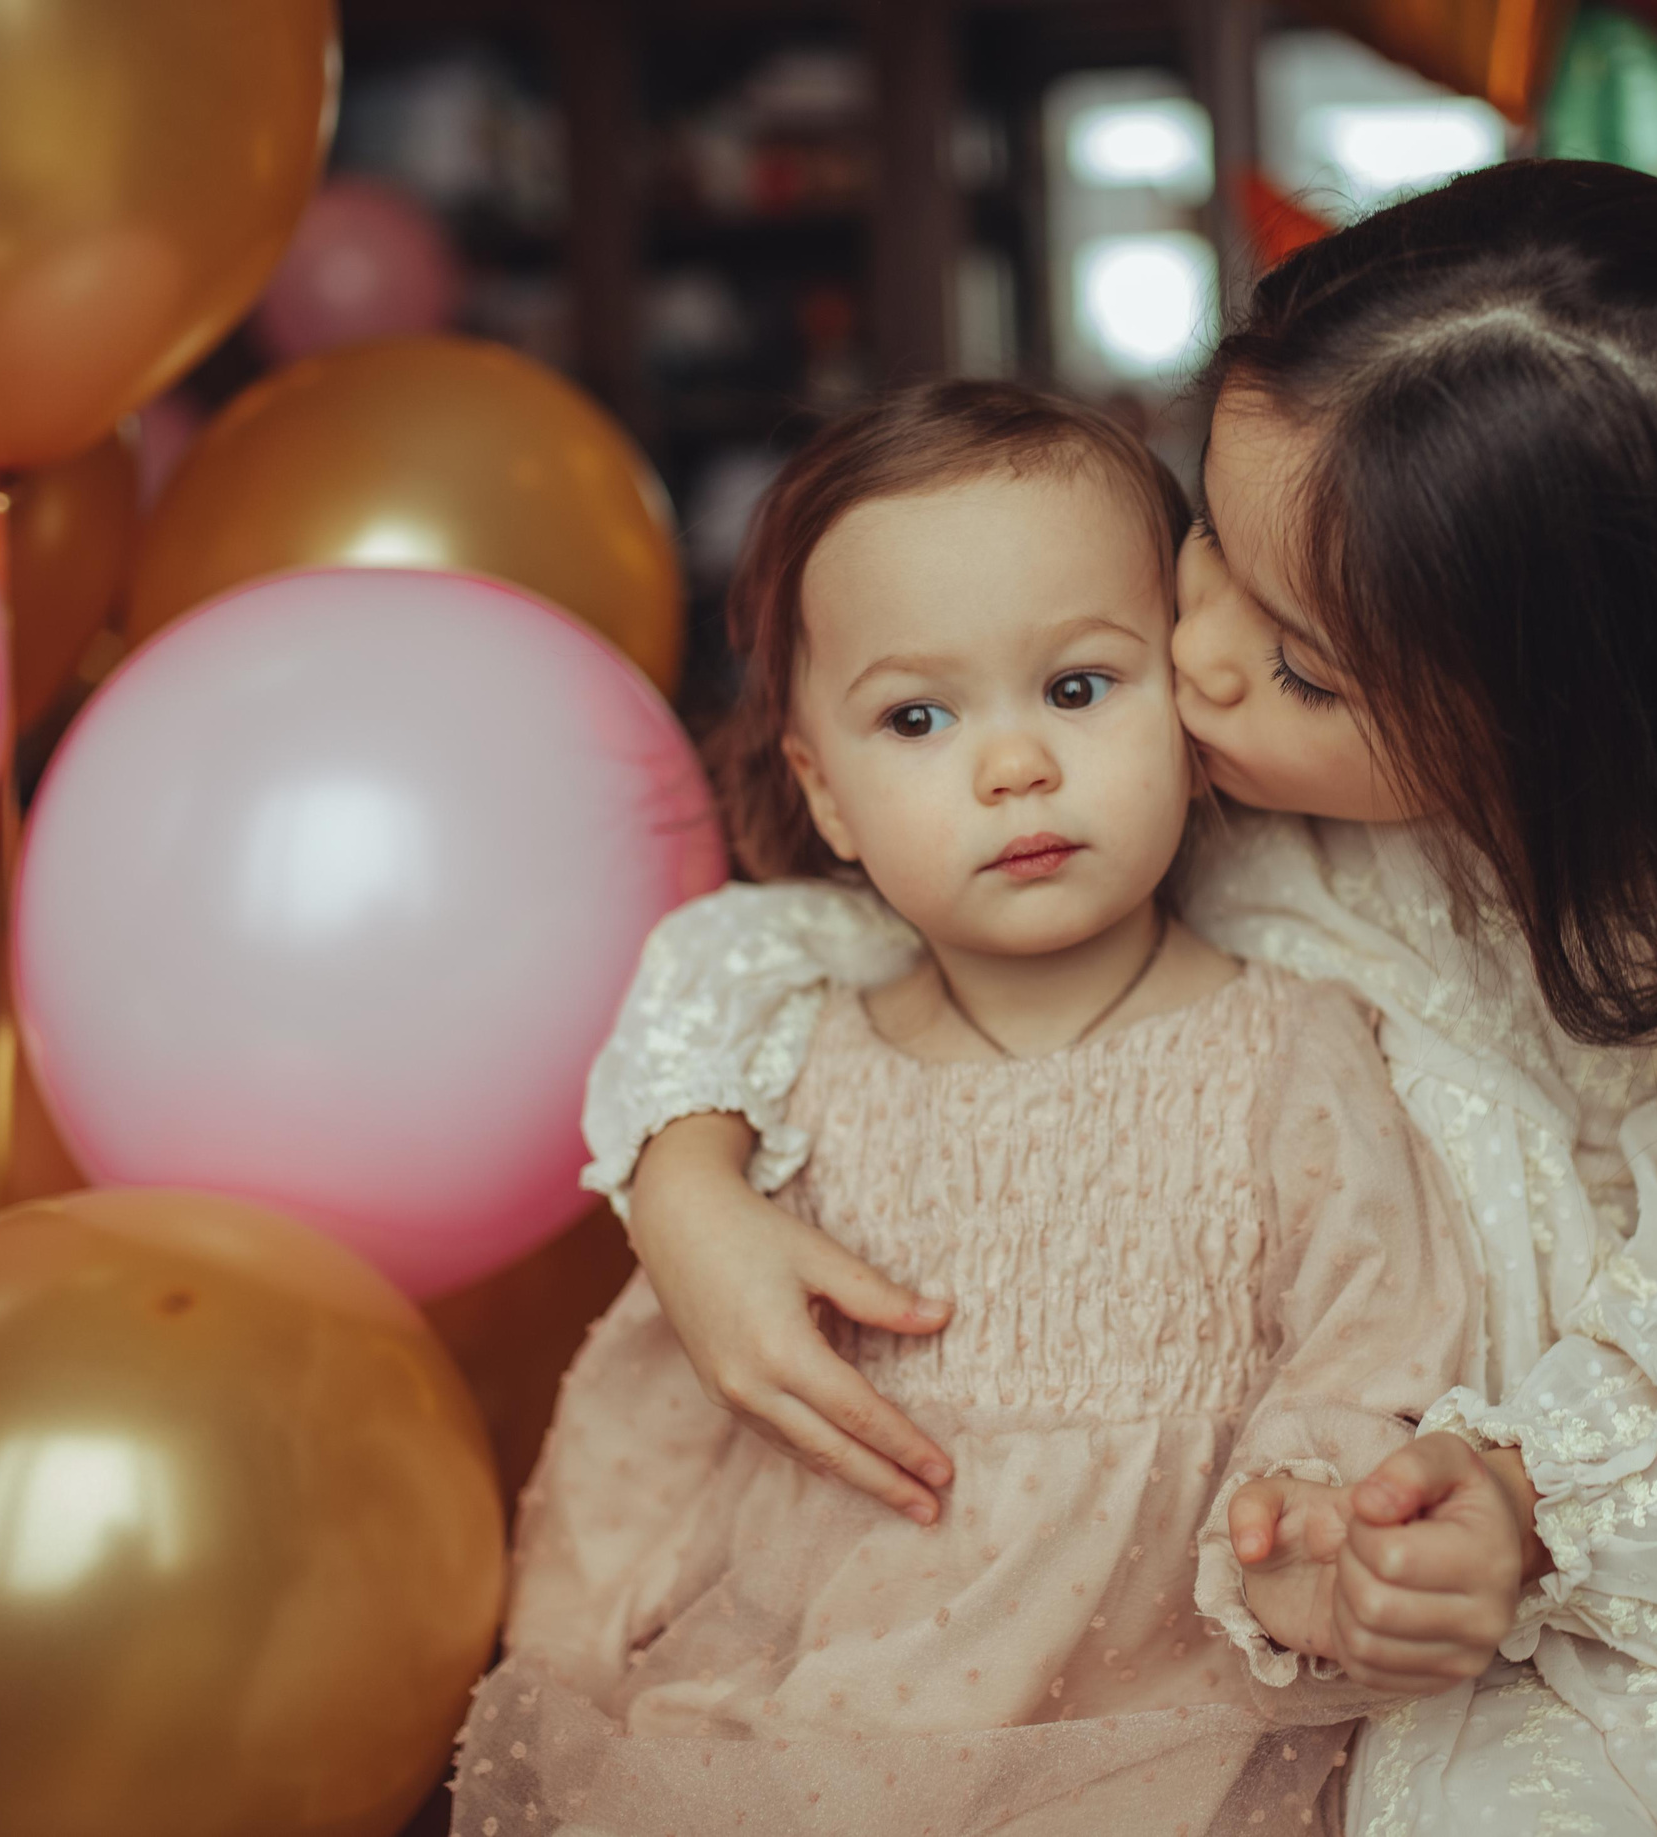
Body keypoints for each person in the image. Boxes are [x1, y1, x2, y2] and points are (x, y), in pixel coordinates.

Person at [582, 162, 1657, 1833]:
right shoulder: (1168, 782)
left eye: (1304, 665)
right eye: (1209, 541)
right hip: (1217, 1547)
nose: (1200, 660)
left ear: (1571, 730)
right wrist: (687, 1177)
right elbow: (799, 942)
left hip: (1564, 1552)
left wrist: (1517, 1497)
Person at [450, 381, 1476, 1837]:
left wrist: (1321, 1510)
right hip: (816, 1728)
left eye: (1079, 688)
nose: (1015, 766)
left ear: (1187, 704)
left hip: (1154, 1733)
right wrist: (573, 1654)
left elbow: (1380, 1322)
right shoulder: (788, 1073)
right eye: (918, 716)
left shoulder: (1291, 1046)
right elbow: (665, 1420)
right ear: (828, 795)